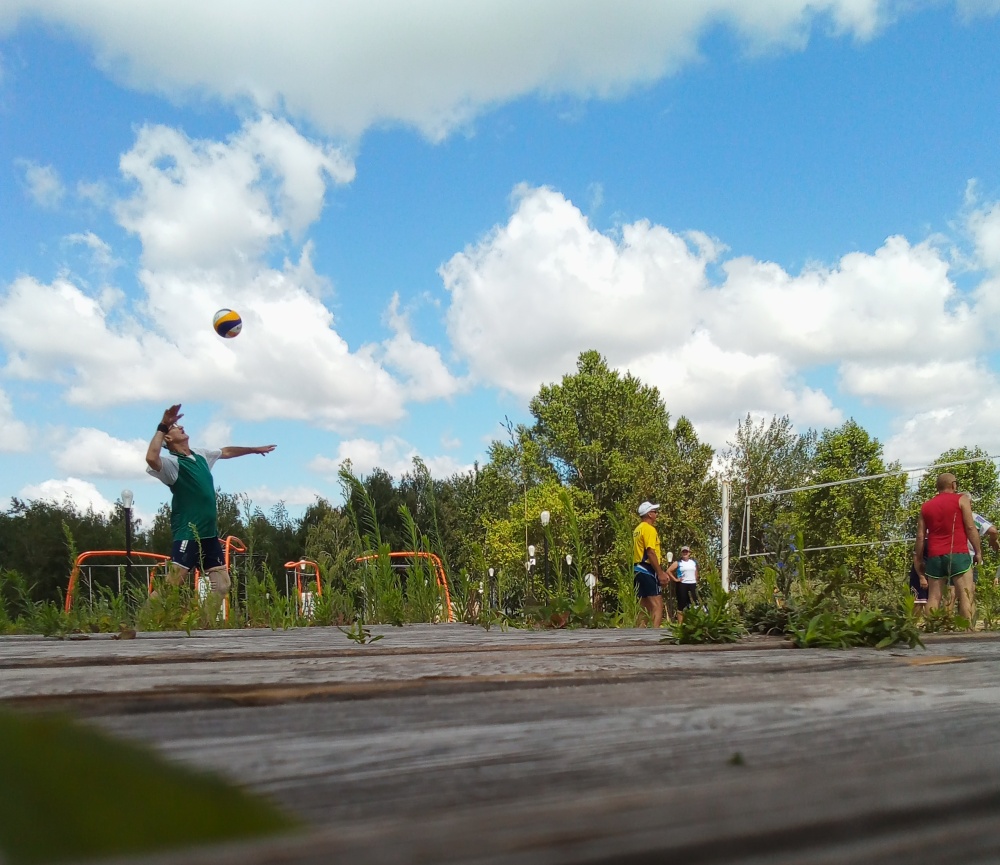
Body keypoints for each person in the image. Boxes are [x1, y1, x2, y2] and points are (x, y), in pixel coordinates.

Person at [145, 404, 276, 607]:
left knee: (223, 585)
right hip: (189, 535)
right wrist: (163, 426)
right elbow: (151, 458)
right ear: (168, 439)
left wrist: (254, 450)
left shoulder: (200, 455)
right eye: (175, 427)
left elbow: (226, 452)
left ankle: (201, 625)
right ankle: (141, 627)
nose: (180, 427)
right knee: (171, 586)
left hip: (208, 535)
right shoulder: (173, 465)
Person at [914, 473, 981, 623]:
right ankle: (968, 631)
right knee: (966, 594)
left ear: (937, 487)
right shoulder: (962, 500)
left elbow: (920, 536)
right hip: (958, 553)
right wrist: (978, 552)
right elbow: (970, 527)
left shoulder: (926, 506)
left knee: (934, 596)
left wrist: (918, 559)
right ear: (954, 485)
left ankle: (931, 629)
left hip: (934, 556)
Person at [633, 501, 671, 628]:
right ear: (649, 514)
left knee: (644, 605)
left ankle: (639, 635)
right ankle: (654, 636)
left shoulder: (637, 529)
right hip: (647, 569)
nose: (656, 513)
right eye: (654, 511)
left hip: (637, 569)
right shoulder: (649, 529)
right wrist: (660, 573)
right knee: (657, 604)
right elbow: (650, 552)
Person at [673, 546, 699, 623]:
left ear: (689, 553)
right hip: (682, 584)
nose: (685, 553)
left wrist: (696, 579)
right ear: (681, 553)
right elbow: (668, 571)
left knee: (694, 604)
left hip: (692, 584)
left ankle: (693, 623)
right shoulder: (678, 562)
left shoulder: (693, 562)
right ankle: (680, 624)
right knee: (681, 605)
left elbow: (696, 571)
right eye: (683, 552)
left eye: (686, 552)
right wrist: (676, 579)